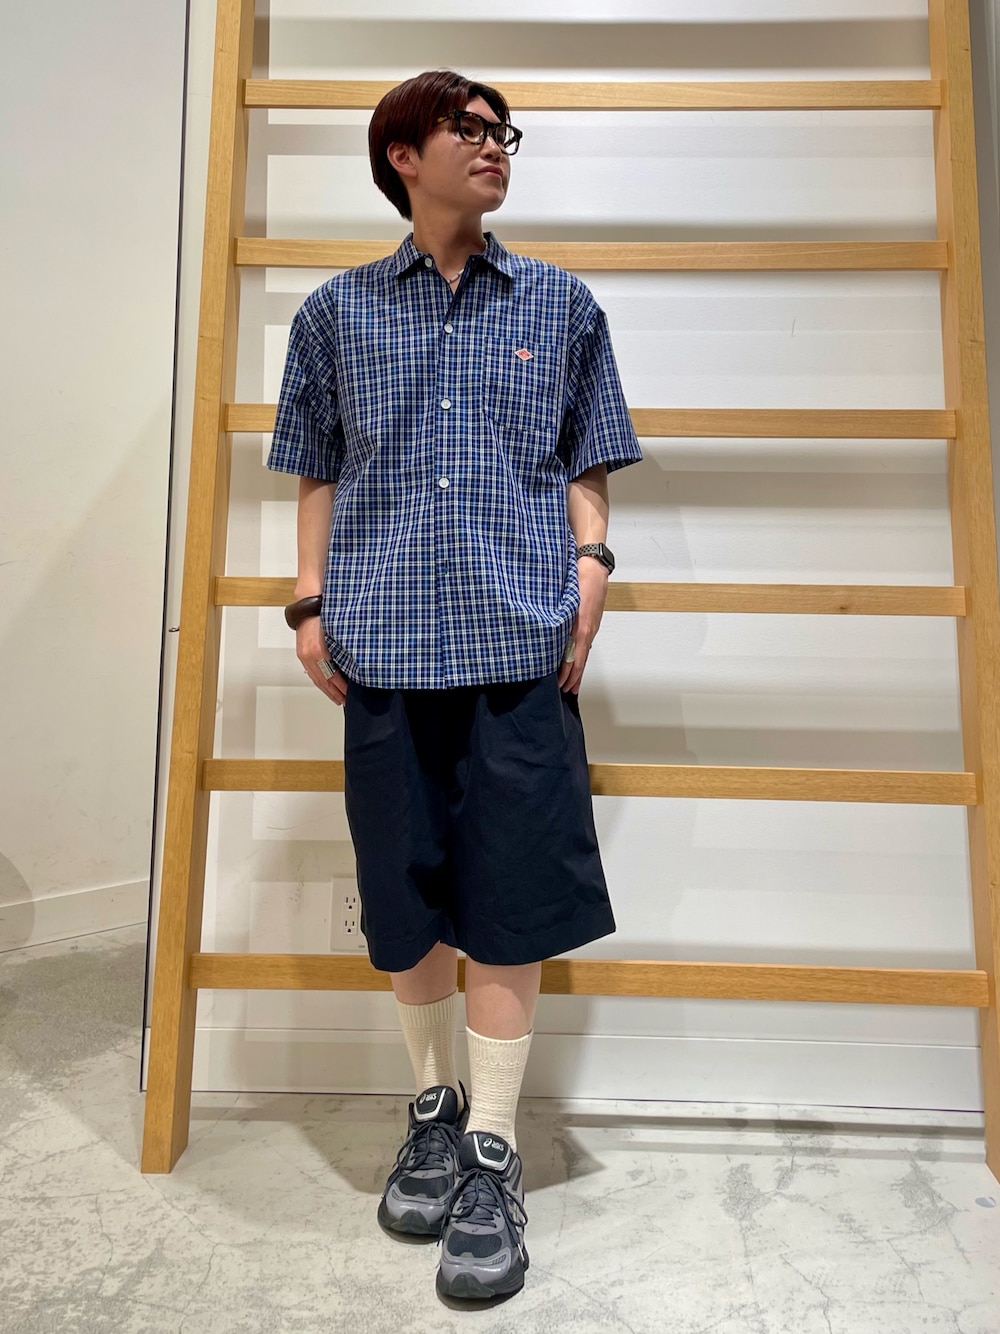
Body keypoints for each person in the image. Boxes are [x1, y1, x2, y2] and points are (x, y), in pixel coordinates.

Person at [267, 68, 641, 1302]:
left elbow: (589, 456)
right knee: (404, 893)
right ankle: (431, 1108)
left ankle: (490, 1148)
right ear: (401, 156)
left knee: (511, 900)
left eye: (501, 132)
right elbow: (316, 465)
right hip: (380, 647)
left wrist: (590, 564)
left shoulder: (561, 304)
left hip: (518, 649)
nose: (494, 147)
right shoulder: (334, 313)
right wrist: (310, 599)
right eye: (467, 131)